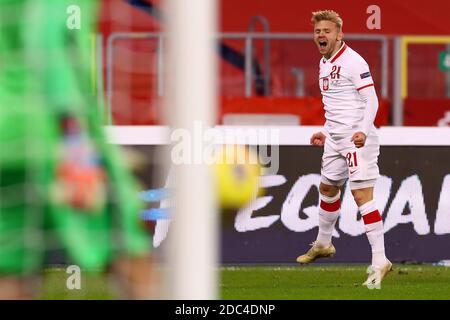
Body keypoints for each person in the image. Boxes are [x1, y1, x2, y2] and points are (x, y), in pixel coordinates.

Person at [0, 0, 153, 299]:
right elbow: (45, 38)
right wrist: (75, 139)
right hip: (51, 129)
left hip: (7, 138)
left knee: (11, 270)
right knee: (129, 251)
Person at [296, 10, 392, 288]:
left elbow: (371, 99)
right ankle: (324, 243)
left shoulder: (353, 61)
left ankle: (379, 260)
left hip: (357, 138)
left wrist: (363, 129)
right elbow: (338, 105)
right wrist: (326, 131)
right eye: (317, 31)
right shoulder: (324, 63)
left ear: (339, 34)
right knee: (327, 188)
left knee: (362, 196)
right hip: (336, 138)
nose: (321, 35)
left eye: (327, 31)